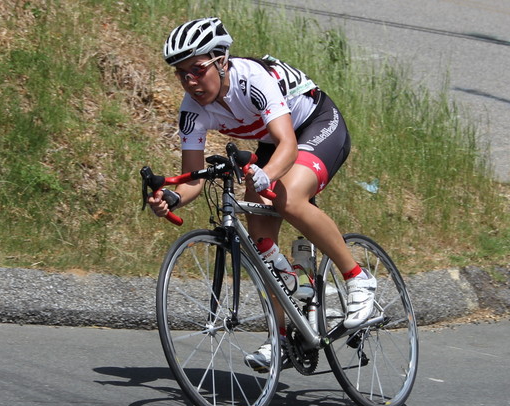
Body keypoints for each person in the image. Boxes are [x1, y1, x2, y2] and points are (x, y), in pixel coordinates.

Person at [148, 17, 376, 371]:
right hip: (273, 142)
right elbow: (192, 177)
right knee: (258, 238)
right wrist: (172, 198)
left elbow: (287, 144)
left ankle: (357, 278)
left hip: (315, 124)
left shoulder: (252, 79)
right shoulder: (192, 110)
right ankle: (284, 336)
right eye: (181, 73)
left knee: (287, 198)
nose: (189, 81)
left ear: (221, 60)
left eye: (197, 69)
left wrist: (265, 175)